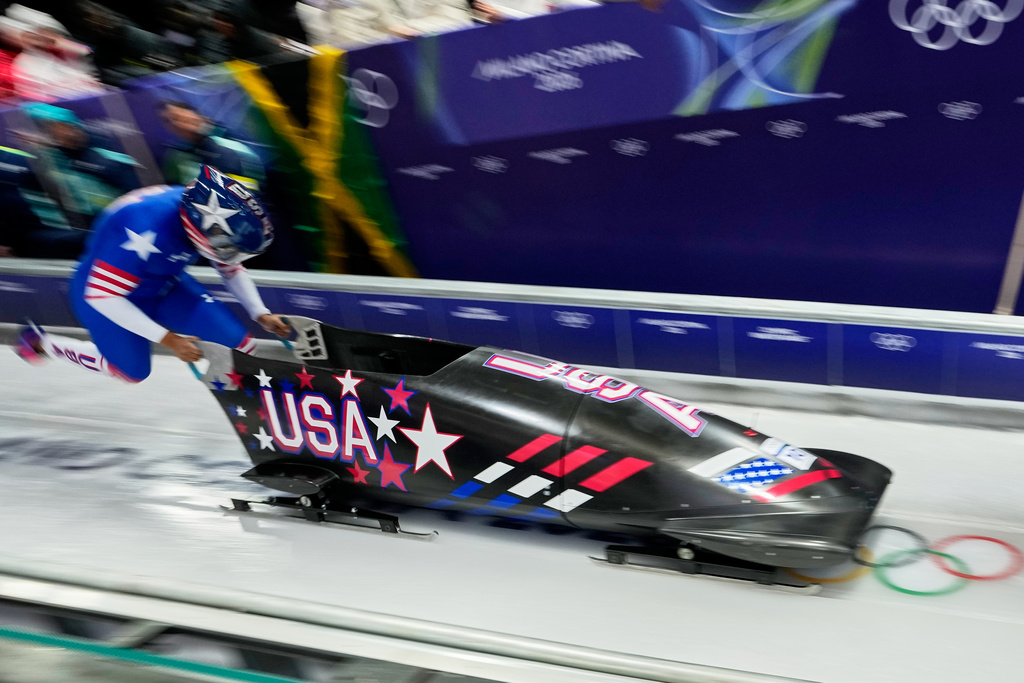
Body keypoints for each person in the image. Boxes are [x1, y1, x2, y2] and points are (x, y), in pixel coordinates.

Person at [14, 165, 292, 383]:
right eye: (229, 246)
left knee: (239, 344)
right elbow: (104, 297)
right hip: (103, 294)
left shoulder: (199, 213)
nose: (231, 255)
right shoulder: (142, 223)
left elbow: (230, 268)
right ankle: (43, 343)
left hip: (162, 283)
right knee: (131, 372)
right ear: (202, 228)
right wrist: (167, 339)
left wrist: (260, 313)